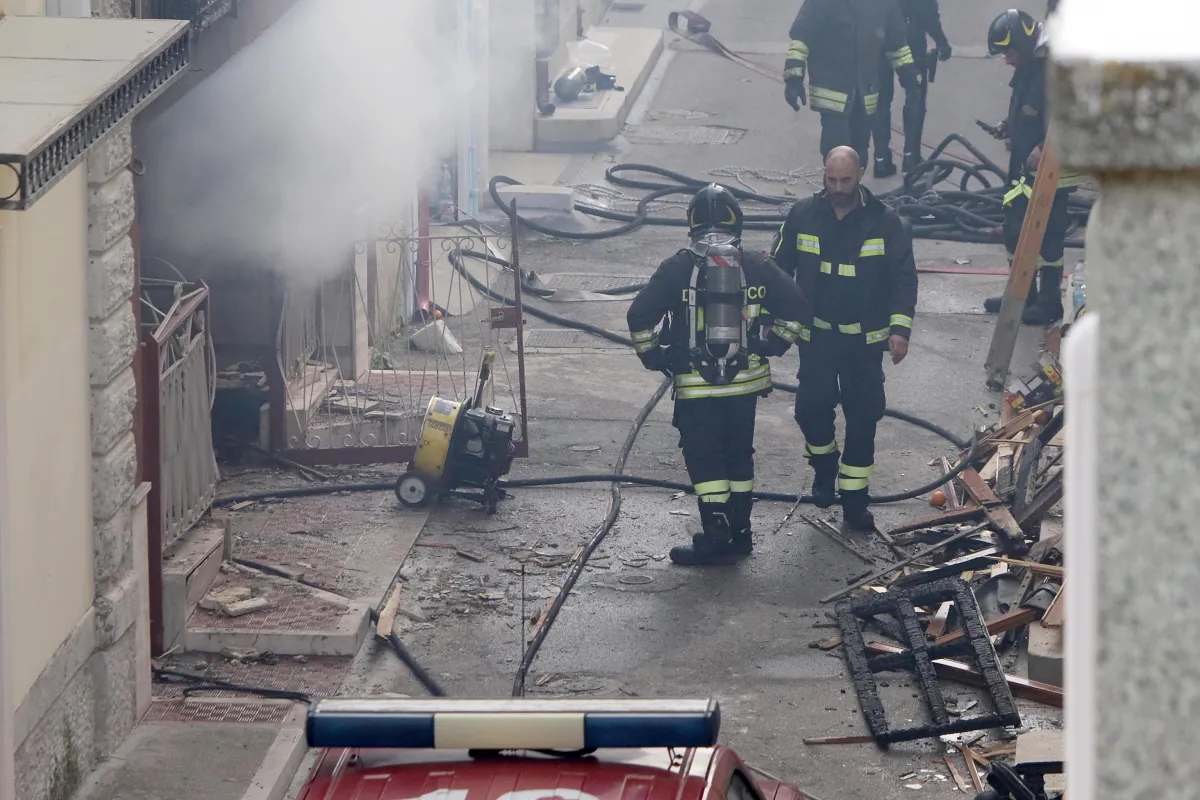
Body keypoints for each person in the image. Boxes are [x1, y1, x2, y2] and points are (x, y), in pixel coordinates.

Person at [627, 185, 810, 566]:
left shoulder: (677, 268)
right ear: (737, 220)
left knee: (705, 459)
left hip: (696, 385)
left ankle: (715, 536)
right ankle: (741, 534)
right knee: (739, 455)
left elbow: (639, 316)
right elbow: (797, 306)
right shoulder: (757, 265)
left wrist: (652, 354)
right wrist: (774, 345)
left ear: (691, 224)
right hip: (746, 383)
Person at [771, 147, 918, 531]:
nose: (837, 188)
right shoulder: (803, 215)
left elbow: (904, 279)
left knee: (863, 419)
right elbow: (777, 270)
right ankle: (823, 465)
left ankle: (855, 502)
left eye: (846, 180)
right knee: (810, 408)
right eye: (831, 180)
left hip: (864, 345)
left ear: (862, 174)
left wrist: (900, 330)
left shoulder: (885, 223)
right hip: (817, 338)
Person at [980, 9, 1077, 325]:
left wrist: (1044, 149)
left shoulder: (1055, 68)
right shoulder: (1029, 67)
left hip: (1050, 174)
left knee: (1048, 239)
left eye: (1007, 53)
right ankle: (1022, 296)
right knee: (1014, 231)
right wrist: (1009, 125)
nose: (1006, 60)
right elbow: (1027, 106)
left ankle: (1049, 303)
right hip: (1023, 169)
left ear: (1021, 44)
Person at [783, 0, 920, 168]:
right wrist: (793, 78)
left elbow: (897, 45)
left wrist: (909, 75)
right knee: (837, 151)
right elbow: (802, 37)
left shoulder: (884, 5)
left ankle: (854, 191)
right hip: (831, 91)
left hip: (865, 94)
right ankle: (835, 191)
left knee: (859, 153)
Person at [871, 0, 953, 178]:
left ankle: (880, 158)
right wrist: (942, 42)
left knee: (881, 100)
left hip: (879, 37)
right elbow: (927, 12)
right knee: (915, 94)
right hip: (911, 38)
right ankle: (911, 158)